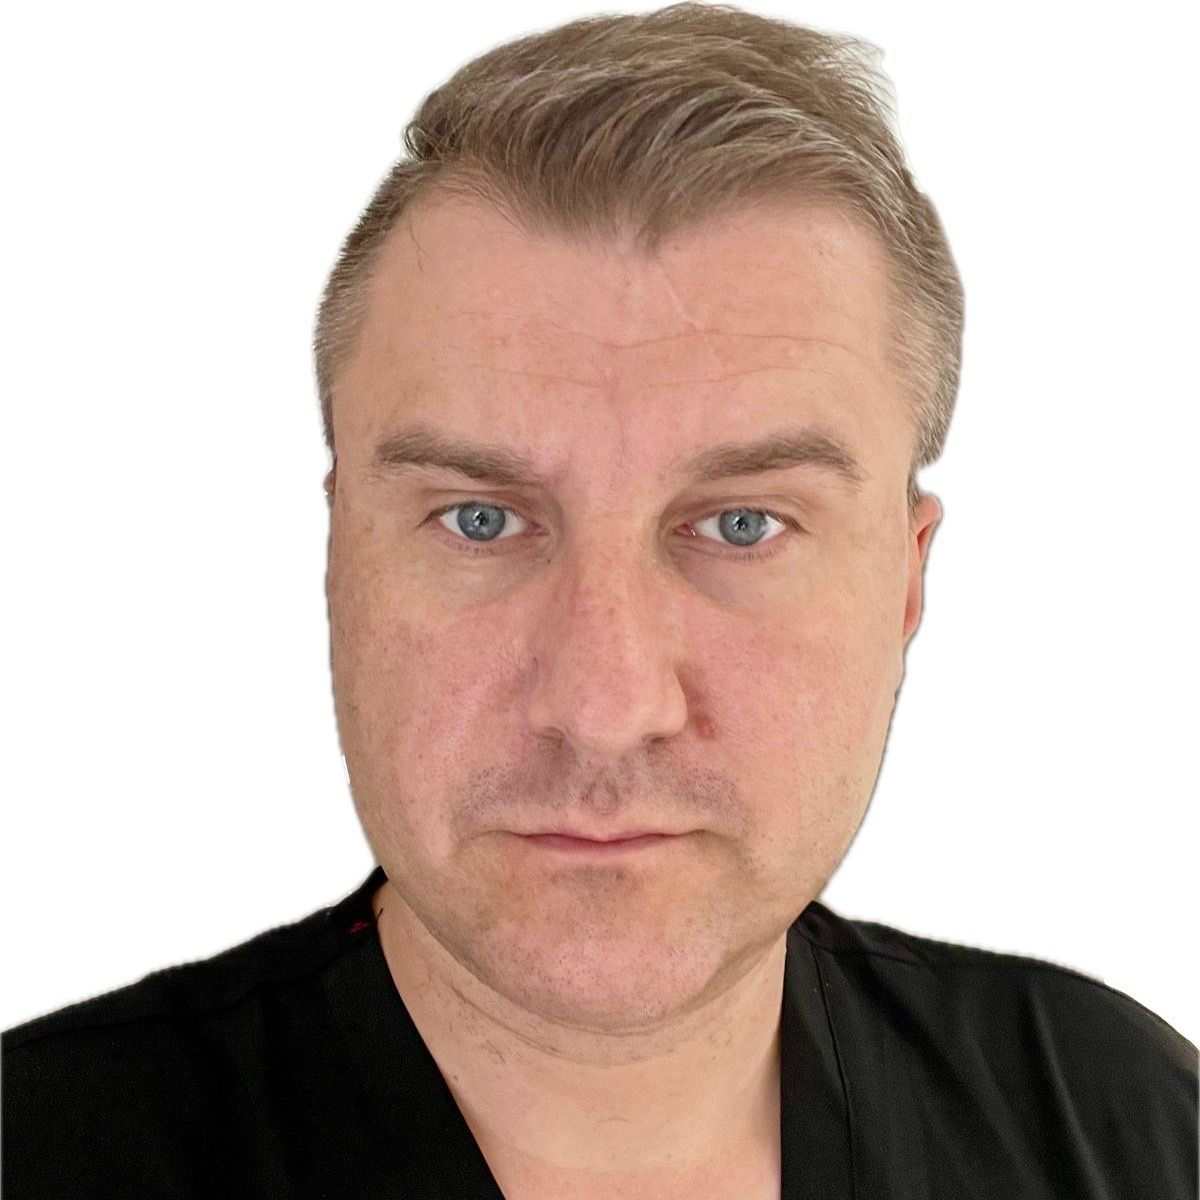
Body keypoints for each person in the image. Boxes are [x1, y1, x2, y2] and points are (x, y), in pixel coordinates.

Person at [4, 3, 1195, 1197]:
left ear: (906, 581)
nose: (605, 707)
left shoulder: (1126, 1128)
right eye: (479, 520)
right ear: (339, 563)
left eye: (743, 524)